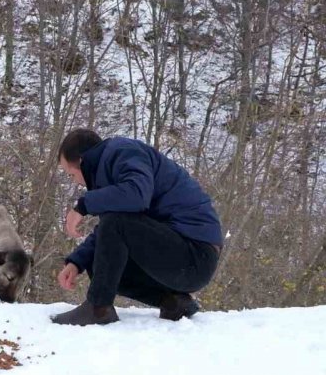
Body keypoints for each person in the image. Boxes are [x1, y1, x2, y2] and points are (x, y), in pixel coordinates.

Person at [51, 129, 222, 325]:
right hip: (184, 261)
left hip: (195, 255)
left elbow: (135, 197)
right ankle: (173, 301)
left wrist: (82, 206)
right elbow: (111, 234)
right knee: (99, 258)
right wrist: (77, 262)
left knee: (115, 223)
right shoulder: (112, 170)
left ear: (82, 162)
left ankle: (98, 308)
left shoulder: (123, 151)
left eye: (71, 175)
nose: (75, 182)